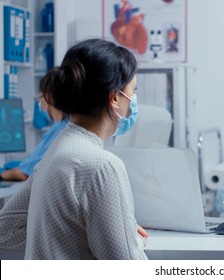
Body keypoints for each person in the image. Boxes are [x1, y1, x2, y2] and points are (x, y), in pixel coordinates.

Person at [0, 38, 148, 259]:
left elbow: (5, 230)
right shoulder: (103, 166)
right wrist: (132, 239)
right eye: (133, 90)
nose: (133, 100)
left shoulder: (56, 151)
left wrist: (74, 231)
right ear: (115, 97)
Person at [0, 79, 68, 182]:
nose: (39, 104)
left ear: (48, 97)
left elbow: (26, 173)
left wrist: (2, 175)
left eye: (39, 98)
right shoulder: (61, 127)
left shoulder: (59, 131)